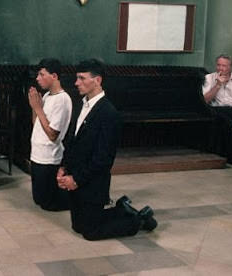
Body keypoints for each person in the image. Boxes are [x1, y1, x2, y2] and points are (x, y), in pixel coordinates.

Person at [57, 59, 157, 240]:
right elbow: (71, 141)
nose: (76, 82)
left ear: (97, 80)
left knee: (90, 233)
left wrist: (77, 179)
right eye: (76, 78)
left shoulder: (109, 113)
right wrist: (63, 167)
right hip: (77, 175)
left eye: (81, 78)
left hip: (93, 182)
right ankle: (121, 209)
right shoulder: (80, 104)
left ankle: (138, 220)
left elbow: (103, 159)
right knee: (78, 226)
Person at [29, 58, 72, 211]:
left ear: (54, 76)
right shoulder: (47, 96)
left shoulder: (63, 99)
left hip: (49, 158)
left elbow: (53, 135)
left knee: (49, 205)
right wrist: (35, 107)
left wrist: (38, 109)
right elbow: (37, 124)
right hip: (37, 155)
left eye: (41, 74)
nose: (37, 78)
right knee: (39, 200)